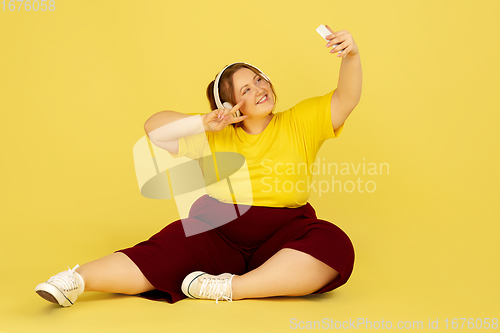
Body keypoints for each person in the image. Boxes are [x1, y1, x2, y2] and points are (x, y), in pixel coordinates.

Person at [35, 27, 362, 307]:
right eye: (246, 89)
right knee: (163, 251)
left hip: (286, 233)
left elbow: (345, 98)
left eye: (260, 80)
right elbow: (154, 128)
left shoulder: (300, 120)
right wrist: (203, 122)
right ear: (230, 105)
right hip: (218, 231)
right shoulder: (213, 134)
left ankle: (227, 288)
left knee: (334, 245)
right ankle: (75, 280)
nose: (260, 88)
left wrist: (351, 56)